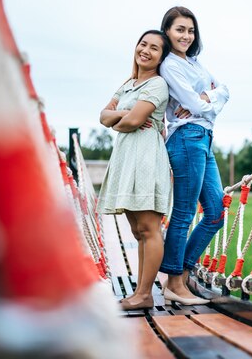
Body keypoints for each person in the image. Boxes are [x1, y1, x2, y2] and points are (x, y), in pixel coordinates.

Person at [158, 6, 230, 305]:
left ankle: (181, 274)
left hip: (204, 138)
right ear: (167, 32)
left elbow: (225, 90)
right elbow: (195, 105)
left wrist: (206, 98)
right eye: (179, 29)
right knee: (186, 212)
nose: (186, 35)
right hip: (186, 138)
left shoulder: (197, 64)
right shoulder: (170, 66)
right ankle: (174, 283)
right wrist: (204, 100)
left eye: (190, 30)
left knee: (215, 213)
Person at [97, 30, 172, 311]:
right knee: (137, 229)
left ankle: (144, 293)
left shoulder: (157, 85)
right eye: (143, 44)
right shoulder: (128, 84)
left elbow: (133, 121)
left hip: (146, 158)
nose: (146, 51)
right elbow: (104, 116)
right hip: (126, 158)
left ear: (161, 57)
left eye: (155, 48)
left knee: (149, 227)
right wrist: (121, 117)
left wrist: (120, 118)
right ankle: (140, 291)